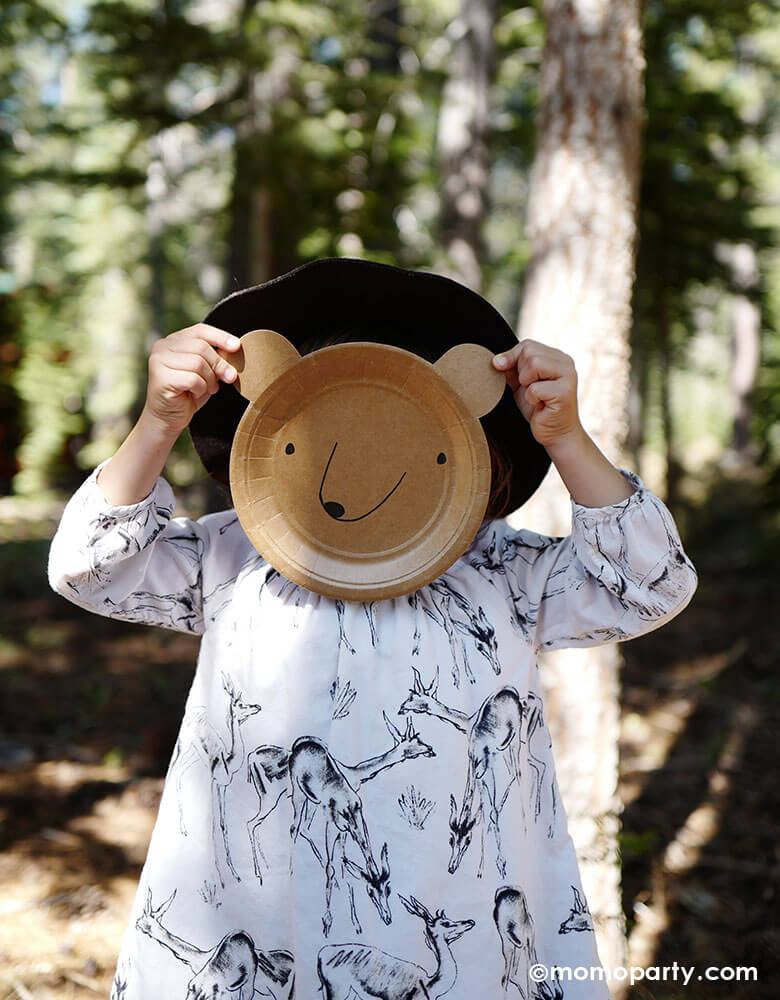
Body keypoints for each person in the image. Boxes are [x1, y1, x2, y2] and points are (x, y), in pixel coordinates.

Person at [48, 259, 697, 1000]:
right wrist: (158, 422)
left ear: (461, 436)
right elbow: (88, 567)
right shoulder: (235, 560)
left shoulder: (504, 574)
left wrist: (568, 439)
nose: (354, 464)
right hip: (259, 932)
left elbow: (652, 584)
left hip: (461, 924)